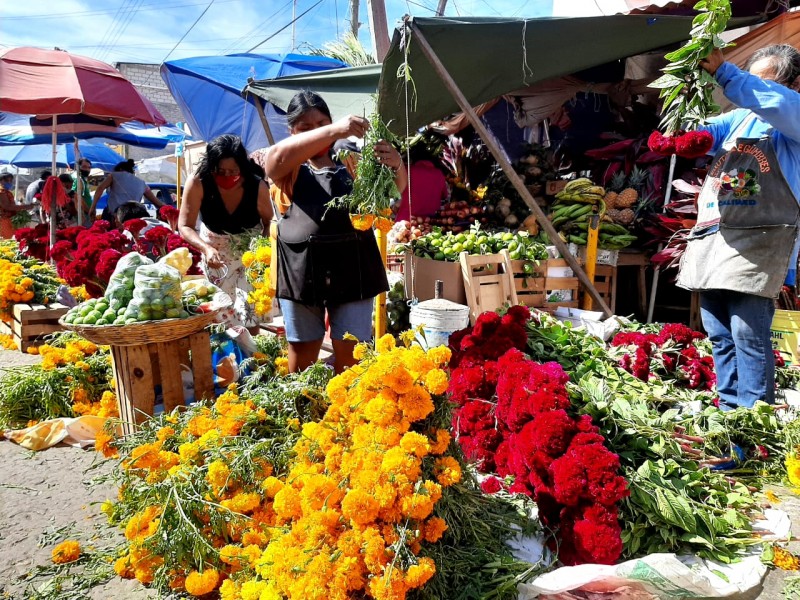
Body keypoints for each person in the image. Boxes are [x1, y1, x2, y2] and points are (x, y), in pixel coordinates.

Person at [677, 45, 800, 410]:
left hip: (761, 245)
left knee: (749, 338)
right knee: (720, 337)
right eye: (751, 79)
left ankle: (752, 439)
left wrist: (728, 74)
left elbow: (772, 102)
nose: (753, 90)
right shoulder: (740, 118)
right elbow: (708, 132)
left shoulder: (792, 114)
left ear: (794, 83)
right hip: (716, 242)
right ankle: (730, 428)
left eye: (765, 82)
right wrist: (682, 125)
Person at [264, 91, 407, 374]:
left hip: (353, 266)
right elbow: (273, 161)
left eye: (322, 124)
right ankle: (303, 412)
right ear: (291, 131)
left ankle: (347, 414)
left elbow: (393, 192)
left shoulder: (353, 160)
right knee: (303, 352)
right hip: (300, 270)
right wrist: (333, 129)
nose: (317, 133)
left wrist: (397, 164)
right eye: (305, 129)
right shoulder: (288, 165)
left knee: (352, 353)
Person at [178, 134, 273, 331]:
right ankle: (223, 358)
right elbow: (185, 225)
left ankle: (251, 356)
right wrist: (206, 250)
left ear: (242, 168)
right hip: (216, 258)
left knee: (249, 316)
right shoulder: (198, 182)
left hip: (249, 257)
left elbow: (269, 222)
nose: (227, 177)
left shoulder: (257, 186)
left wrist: (260, 250)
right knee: (218, 318)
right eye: (220, 171)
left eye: (233, 171)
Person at [90, 159, 163, 222]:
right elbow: (157, 202)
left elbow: (100, 188)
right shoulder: (142, 183)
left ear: (120, 170)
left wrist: (93, 207)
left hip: (114, 216)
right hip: (133, 218)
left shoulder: (113, 175)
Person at [394, 145, 448, 222]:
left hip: (406, 222)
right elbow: (444, 195)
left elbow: (397, 191)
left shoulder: (407, 170)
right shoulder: (439, 173)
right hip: (431, 222)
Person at [0, 168, 34, 239]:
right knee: (7, 241)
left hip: (9, 219)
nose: (9, 182)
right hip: (4, 220)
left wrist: (19, 208)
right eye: (6, 180)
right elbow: (7, 206)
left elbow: (11, 205)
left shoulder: (7, 192)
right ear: (1, 181)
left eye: (10, 180)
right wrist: (25, 207)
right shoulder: (1, 191)